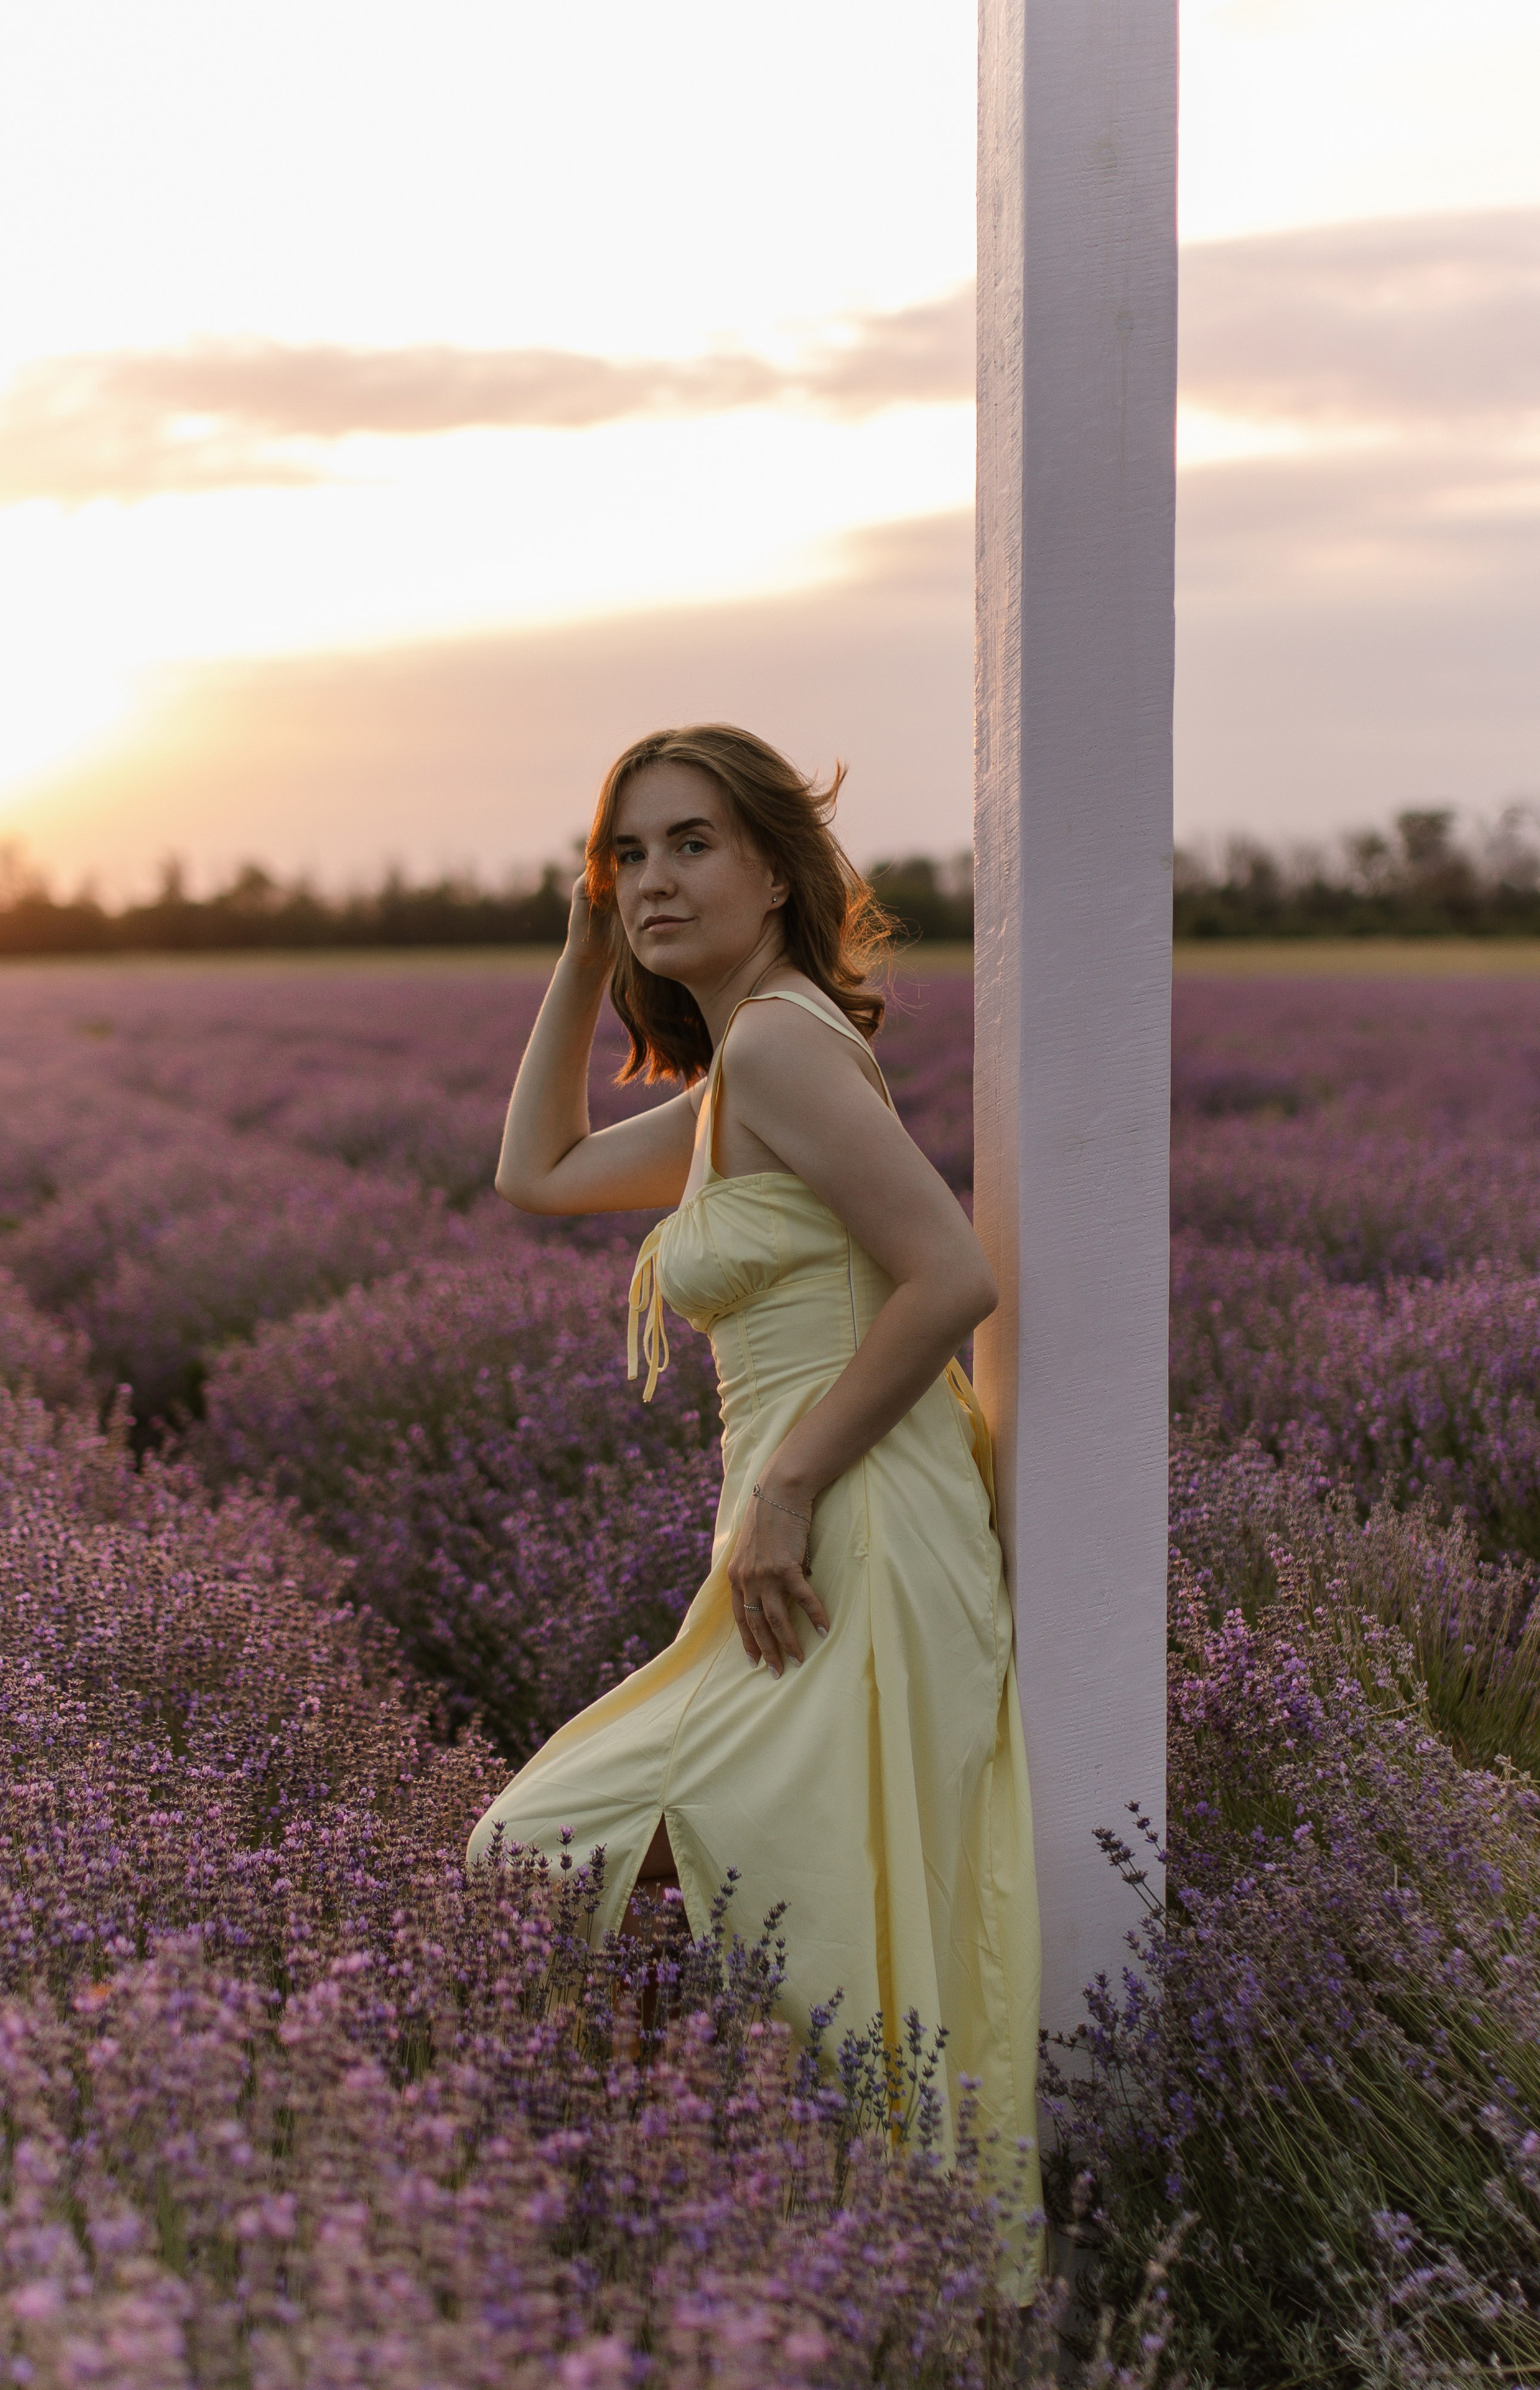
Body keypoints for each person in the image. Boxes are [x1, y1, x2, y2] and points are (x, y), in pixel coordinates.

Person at [467, 723, 1042, 2288]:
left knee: (622, 1872)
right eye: (627, 852)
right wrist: (581, 953)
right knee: (742, 1900)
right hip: (806, 1536)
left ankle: (864, 2277)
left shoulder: (785, 1046)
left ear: (779, 874)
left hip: (847, 1527)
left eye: (691, 844)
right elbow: (540, 1170)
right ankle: (809, 2254)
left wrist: (784, 1489)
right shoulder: (743, 1077)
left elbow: (950, 1279)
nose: (653, 877)